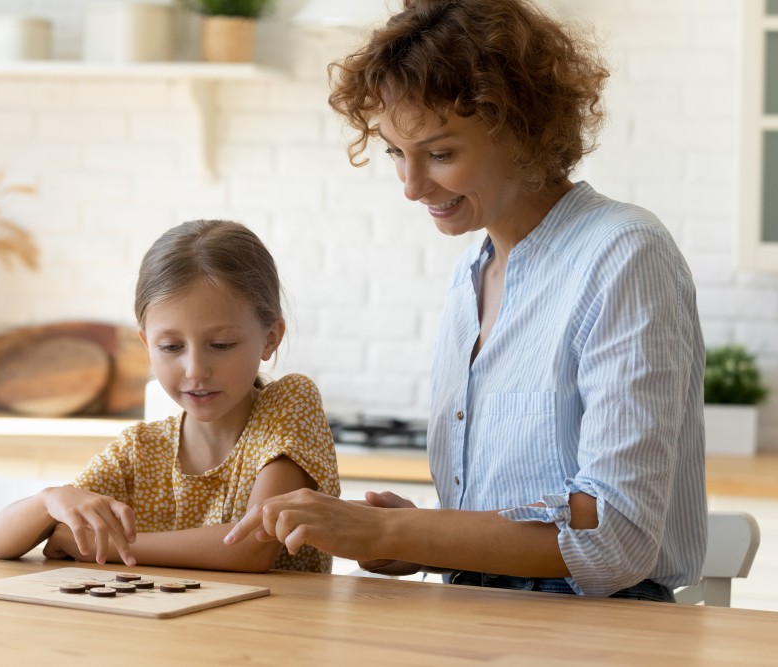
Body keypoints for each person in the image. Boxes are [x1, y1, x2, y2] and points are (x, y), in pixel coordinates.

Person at [225, 0, 707, 599]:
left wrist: (395, 531)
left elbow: (615, 539)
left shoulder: (623, 256)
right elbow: (523, 511)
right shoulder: (469, 279)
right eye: (396, 153)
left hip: (601, 633)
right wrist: (415, 535)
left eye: (441, 153)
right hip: (479, 615)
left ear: (525, 128)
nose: (411, 186)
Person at [0, 219, 340, 573]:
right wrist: (50, 500)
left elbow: (250, 547)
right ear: (146, 345)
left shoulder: (291, 406)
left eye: (221, 345)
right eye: (171, 347)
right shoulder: (140, 450)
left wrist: (106, 546)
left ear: (270, 338)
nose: (195, 370)